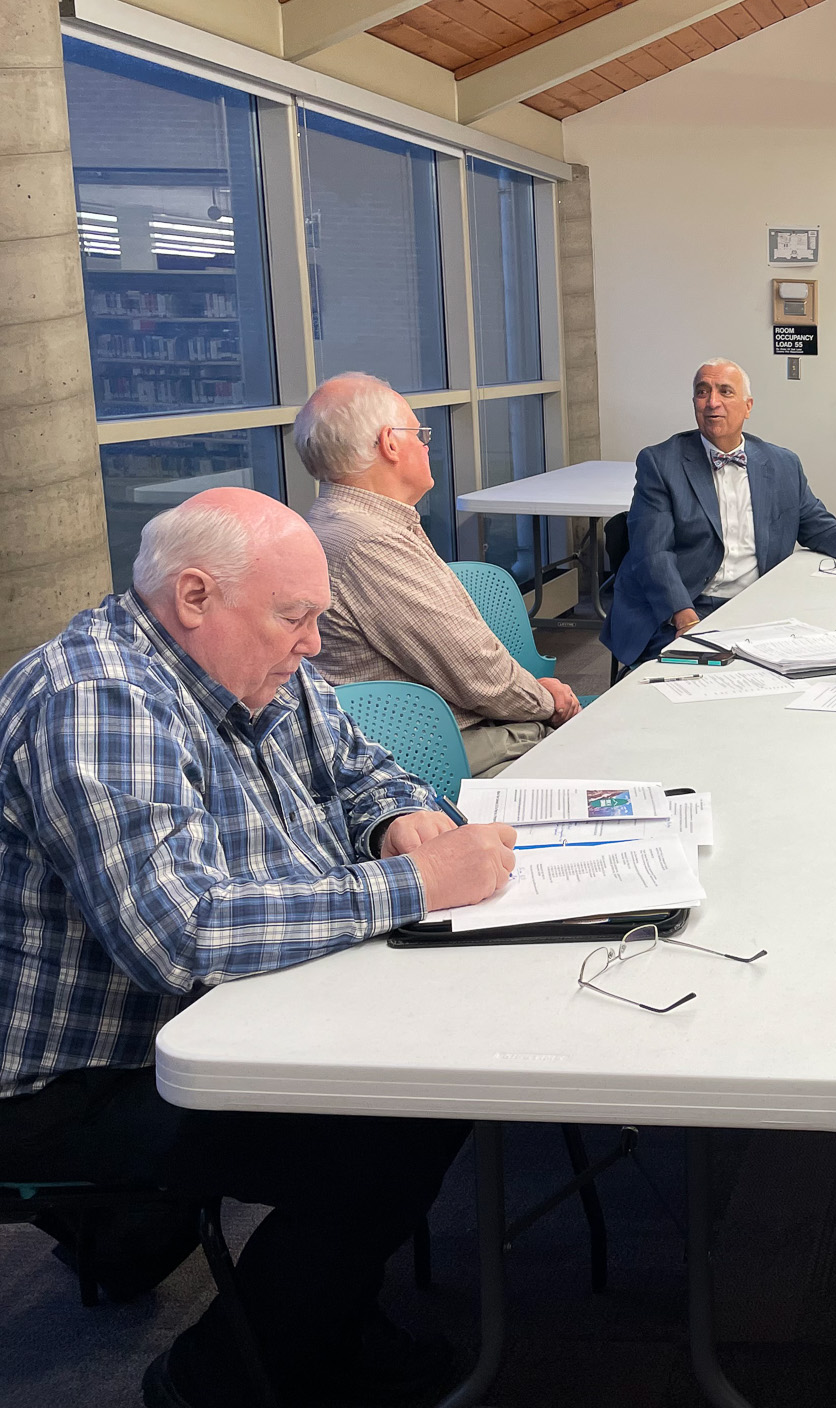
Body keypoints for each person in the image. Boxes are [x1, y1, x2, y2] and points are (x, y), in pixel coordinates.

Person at [0, 488, 517, 1408]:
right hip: (82, 1076)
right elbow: (180, 932)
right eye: (297, 618)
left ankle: (255, 1288)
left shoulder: (251, 658)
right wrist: (418, 884)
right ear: (195, 597)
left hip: (209, 1018)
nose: (315, 644)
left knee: (420, 1084)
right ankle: (215, 1381)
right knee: (391, 1128)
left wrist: (395, 816)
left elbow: (361, 767)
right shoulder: (98, 701)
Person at [295, 373, 580, 778]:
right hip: (440, 754)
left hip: (435, 737)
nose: (427, 446)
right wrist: (549, 702)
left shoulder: (344, 522)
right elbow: (477, 674)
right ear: (390, 443)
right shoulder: (370, 543)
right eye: (419, 433)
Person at [603, 357, 836, 665]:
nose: (712, 403)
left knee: (829, 662)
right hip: (680, 609)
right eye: (702, 391)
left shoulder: (782, 464)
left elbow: (816, 524)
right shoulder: (660, 463)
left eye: (725, 392)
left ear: (748, 406)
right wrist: (685, 619)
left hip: (754, 607)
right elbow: (653, 554)